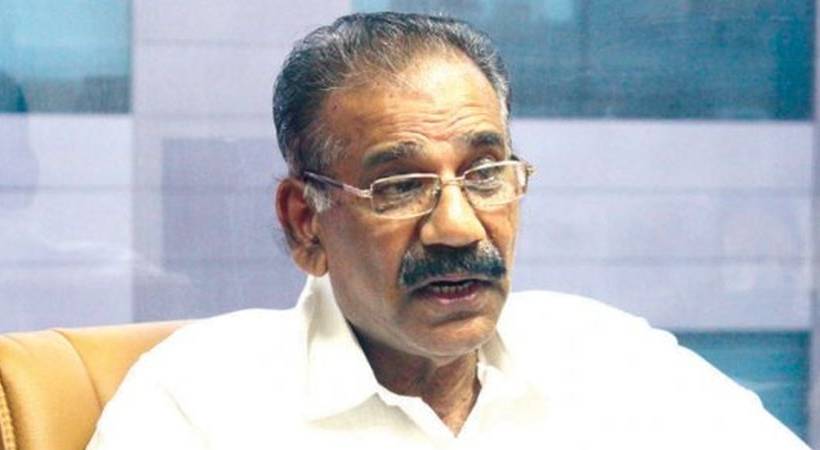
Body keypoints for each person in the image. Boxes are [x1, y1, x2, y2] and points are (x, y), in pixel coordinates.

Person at [87, 12, 809, 449]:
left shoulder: (610, 357)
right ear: (306, 222)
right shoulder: (201, 402)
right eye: (400, 186)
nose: (458, 228)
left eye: (485, 173)